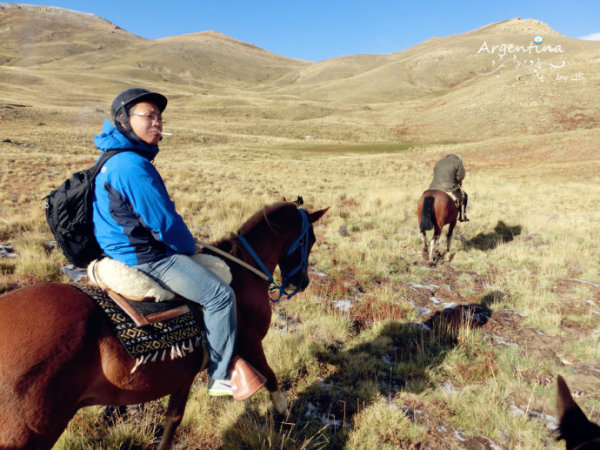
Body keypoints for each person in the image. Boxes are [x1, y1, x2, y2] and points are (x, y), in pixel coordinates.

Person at [92, 87, 263, 398]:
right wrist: (187, 246)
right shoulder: (132, 165)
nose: (158, 123)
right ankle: (221, 375)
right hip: (145, 256)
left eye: (159, 117)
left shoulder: (113, 157)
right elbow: (163, 223)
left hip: (119, 246)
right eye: (149, 116)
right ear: (123, 120)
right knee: (220, 296)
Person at [428, 154, 469, 222]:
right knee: (464, 196)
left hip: (433, 186)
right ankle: (462, 216)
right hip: (449, 187)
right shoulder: (458, 162)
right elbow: (460, 177)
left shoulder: (440, 161)